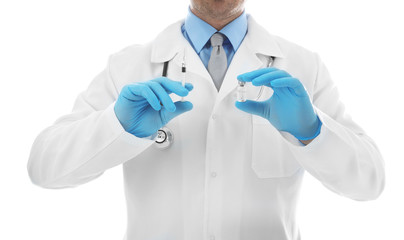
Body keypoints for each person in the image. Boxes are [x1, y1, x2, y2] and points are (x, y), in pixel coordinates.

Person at [27, 0, 385, 239]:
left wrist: (312, 132)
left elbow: (370, 182)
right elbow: (44, 167)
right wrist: (116, 126)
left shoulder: (304, 66)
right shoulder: (128, 66)